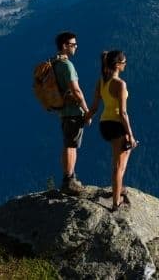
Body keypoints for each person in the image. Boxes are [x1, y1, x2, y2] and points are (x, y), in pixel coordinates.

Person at [88, 50, 138, 210]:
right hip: (117, 125)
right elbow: (123, 112)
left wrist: (86, 118)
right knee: (119, 165)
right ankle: (116, 202)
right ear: (117, 64)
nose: (125, 65)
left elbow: (95, 106)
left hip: (105, 124)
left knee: (118, 163)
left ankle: (118, 188)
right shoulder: (120, 84)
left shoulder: (101, 81)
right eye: (124, 62)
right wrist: (130, 135)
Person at [53, 31, 91, 195]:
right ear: (64, 46)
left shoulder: (56, 63)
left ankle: (69, 177)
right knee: (71, 146)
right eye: (73, 44)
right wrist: (86, 109)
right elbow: (76, 90)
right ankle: (69, 181)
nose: (76, 47)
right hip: (73, 111)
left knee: (68, 143)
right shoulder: (67, 65)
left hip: (62, 110)